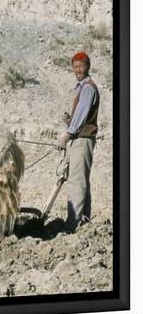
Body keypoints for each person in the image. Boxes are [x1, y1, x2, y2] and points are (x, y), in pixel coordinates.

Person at [56, 52, 100, 231]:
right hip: (82, 138)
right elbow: (81, 116)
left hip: (82, 139)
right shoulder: (82, 88)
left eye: (81, 66)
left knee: (76, 181)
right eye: (75, 67)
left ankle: (72, 224)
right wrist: (70, 120)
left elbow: (81, 117)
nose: (78, 70)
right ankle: (83, 221)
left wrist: (66, 135)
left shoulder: (88, 88)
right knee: (81, 180)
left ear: (87, 66)